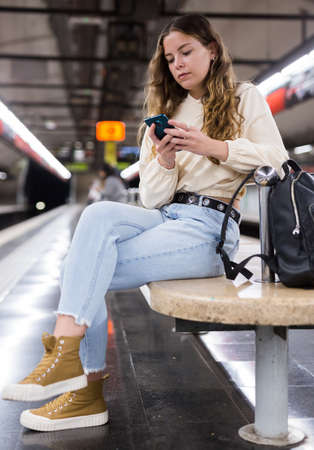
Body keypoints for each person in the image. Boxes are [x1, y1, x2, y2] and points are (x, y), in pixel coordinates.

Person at [2, 14, 288, 432]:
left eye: (186, 52)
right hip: (166, 215)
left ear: (212, 49)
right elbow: (153, 197)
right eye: (170, 57)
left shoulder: (245, 97)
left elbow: (278, 162)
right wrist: (167, 161)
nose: (178, 64)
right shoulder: (167, 110)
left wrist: (213, 147)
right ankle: (71, 364)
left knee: (79, 271)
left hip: (209, 230)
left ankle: (82, 385)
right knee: (97, 214)